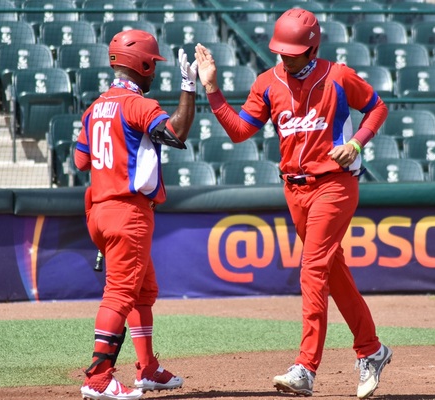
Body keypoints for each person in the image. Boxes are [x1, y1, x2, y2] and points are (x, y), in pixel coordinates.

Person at [195, 8, 392, 399]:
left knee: (312, 269)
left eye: (292, 52)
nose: (284, 57)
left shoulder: (338, 76)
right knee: (333, 273)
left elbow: (377, 107)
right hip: (295, 190)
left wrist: (356, 143)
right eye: (280, 51)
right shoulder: (268, 82)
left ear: (312, 47)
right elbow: (239, 132)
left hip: (334, 186)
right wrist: (213, 89)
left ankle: (305, 367)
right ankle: (372, 350)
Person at [74, 29, 198, 400]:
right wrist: (188, 86)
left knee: (144, 290)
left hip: (100, 210)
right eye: (152, 64)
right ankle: (98, 378)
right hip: (128, 213)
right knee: (120, 295)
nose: (153, 71)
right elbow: (176, 132)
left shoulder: (95, 107)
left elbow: (82, 160)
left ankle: (147, 369)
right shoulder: (138, 105)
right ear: (142, 64)